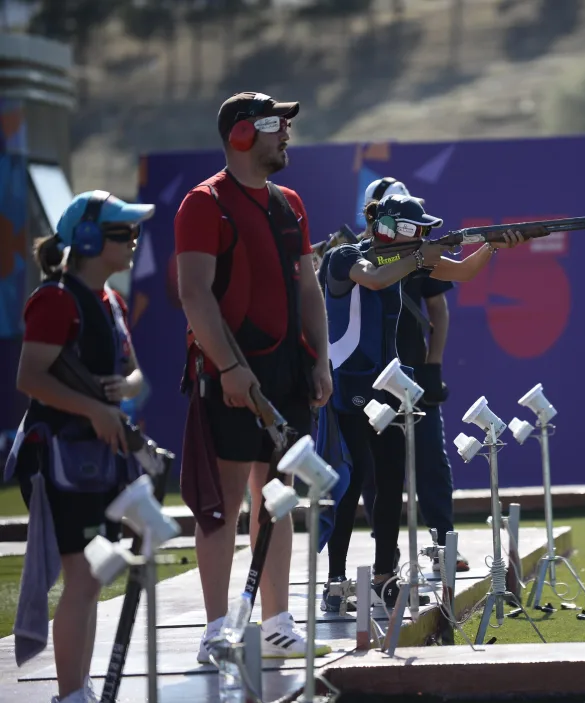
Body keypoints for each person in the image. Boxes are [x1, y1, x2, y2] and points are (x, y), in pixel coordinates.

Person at [173, 92, 333, 663]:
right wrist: (231, 369)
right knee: (221, 506)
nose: (285, 132)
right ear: (241, 135)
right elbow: (194, 295)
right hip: (230, 368)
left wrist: (319, 359)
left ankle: (277, 622)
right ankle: (217, 629)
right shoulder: (203, 203)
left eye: (286, 122)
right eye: (273, 124)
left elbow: (307, 285)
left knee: (278, 500)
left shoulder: (290, 203)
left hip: (288, 368)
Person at [317, 191, 524, 612]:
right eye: (414, 229)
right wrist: (419, 257)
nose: (422, 236)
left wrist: (491, 246)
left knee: (392, 481)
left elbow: (464, 272)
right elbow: (372, 279)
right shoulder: (344, 257)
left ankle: (382, 576)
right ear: (388, 229)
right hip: (346, 385)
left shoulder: (403, 262)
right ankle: (336, 580)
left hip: (389, 383)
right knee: (351, 482)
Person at [4, 190, 153, 703]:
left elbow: (132, 374)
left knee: (90, 580)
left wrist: (122, 389)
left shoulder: (108, 300)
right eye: (123, 233)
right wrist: (92, 408)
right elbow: (30, 378)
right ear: (89, 238)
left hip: (97, 459)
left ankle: (79, 690)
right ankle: (71, 695)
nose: (134, 241)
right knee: (85, 578)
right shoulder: (56, 300)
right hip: (62, 459)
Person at [356, 178, 470, 576]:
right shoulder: (352, 255)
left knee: (430, 462)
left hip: (415, 372)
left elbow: (437, 312)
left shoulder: (423, 250)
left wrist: (434, 365)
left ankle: (443, 542)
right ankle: (386, 551)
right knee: (374, 471)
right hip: (368, 376)